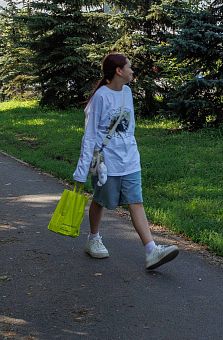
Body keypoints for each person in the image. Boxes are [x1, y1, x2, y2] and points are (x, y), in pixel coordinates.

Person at [73, 53, 179, 269]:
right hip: (103, 159)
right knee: (100, 200)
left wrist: (130, 149)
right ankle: (93, 239)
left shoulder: (127, 92)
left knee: (136, 200)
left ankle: (151, 251)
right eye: (129, 67)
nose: (132, 70)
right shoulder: (100, 97)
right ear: (118, 71)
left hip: (129, 158)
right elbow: (90, 135)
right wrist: (82, 171)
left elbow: (129, 127)